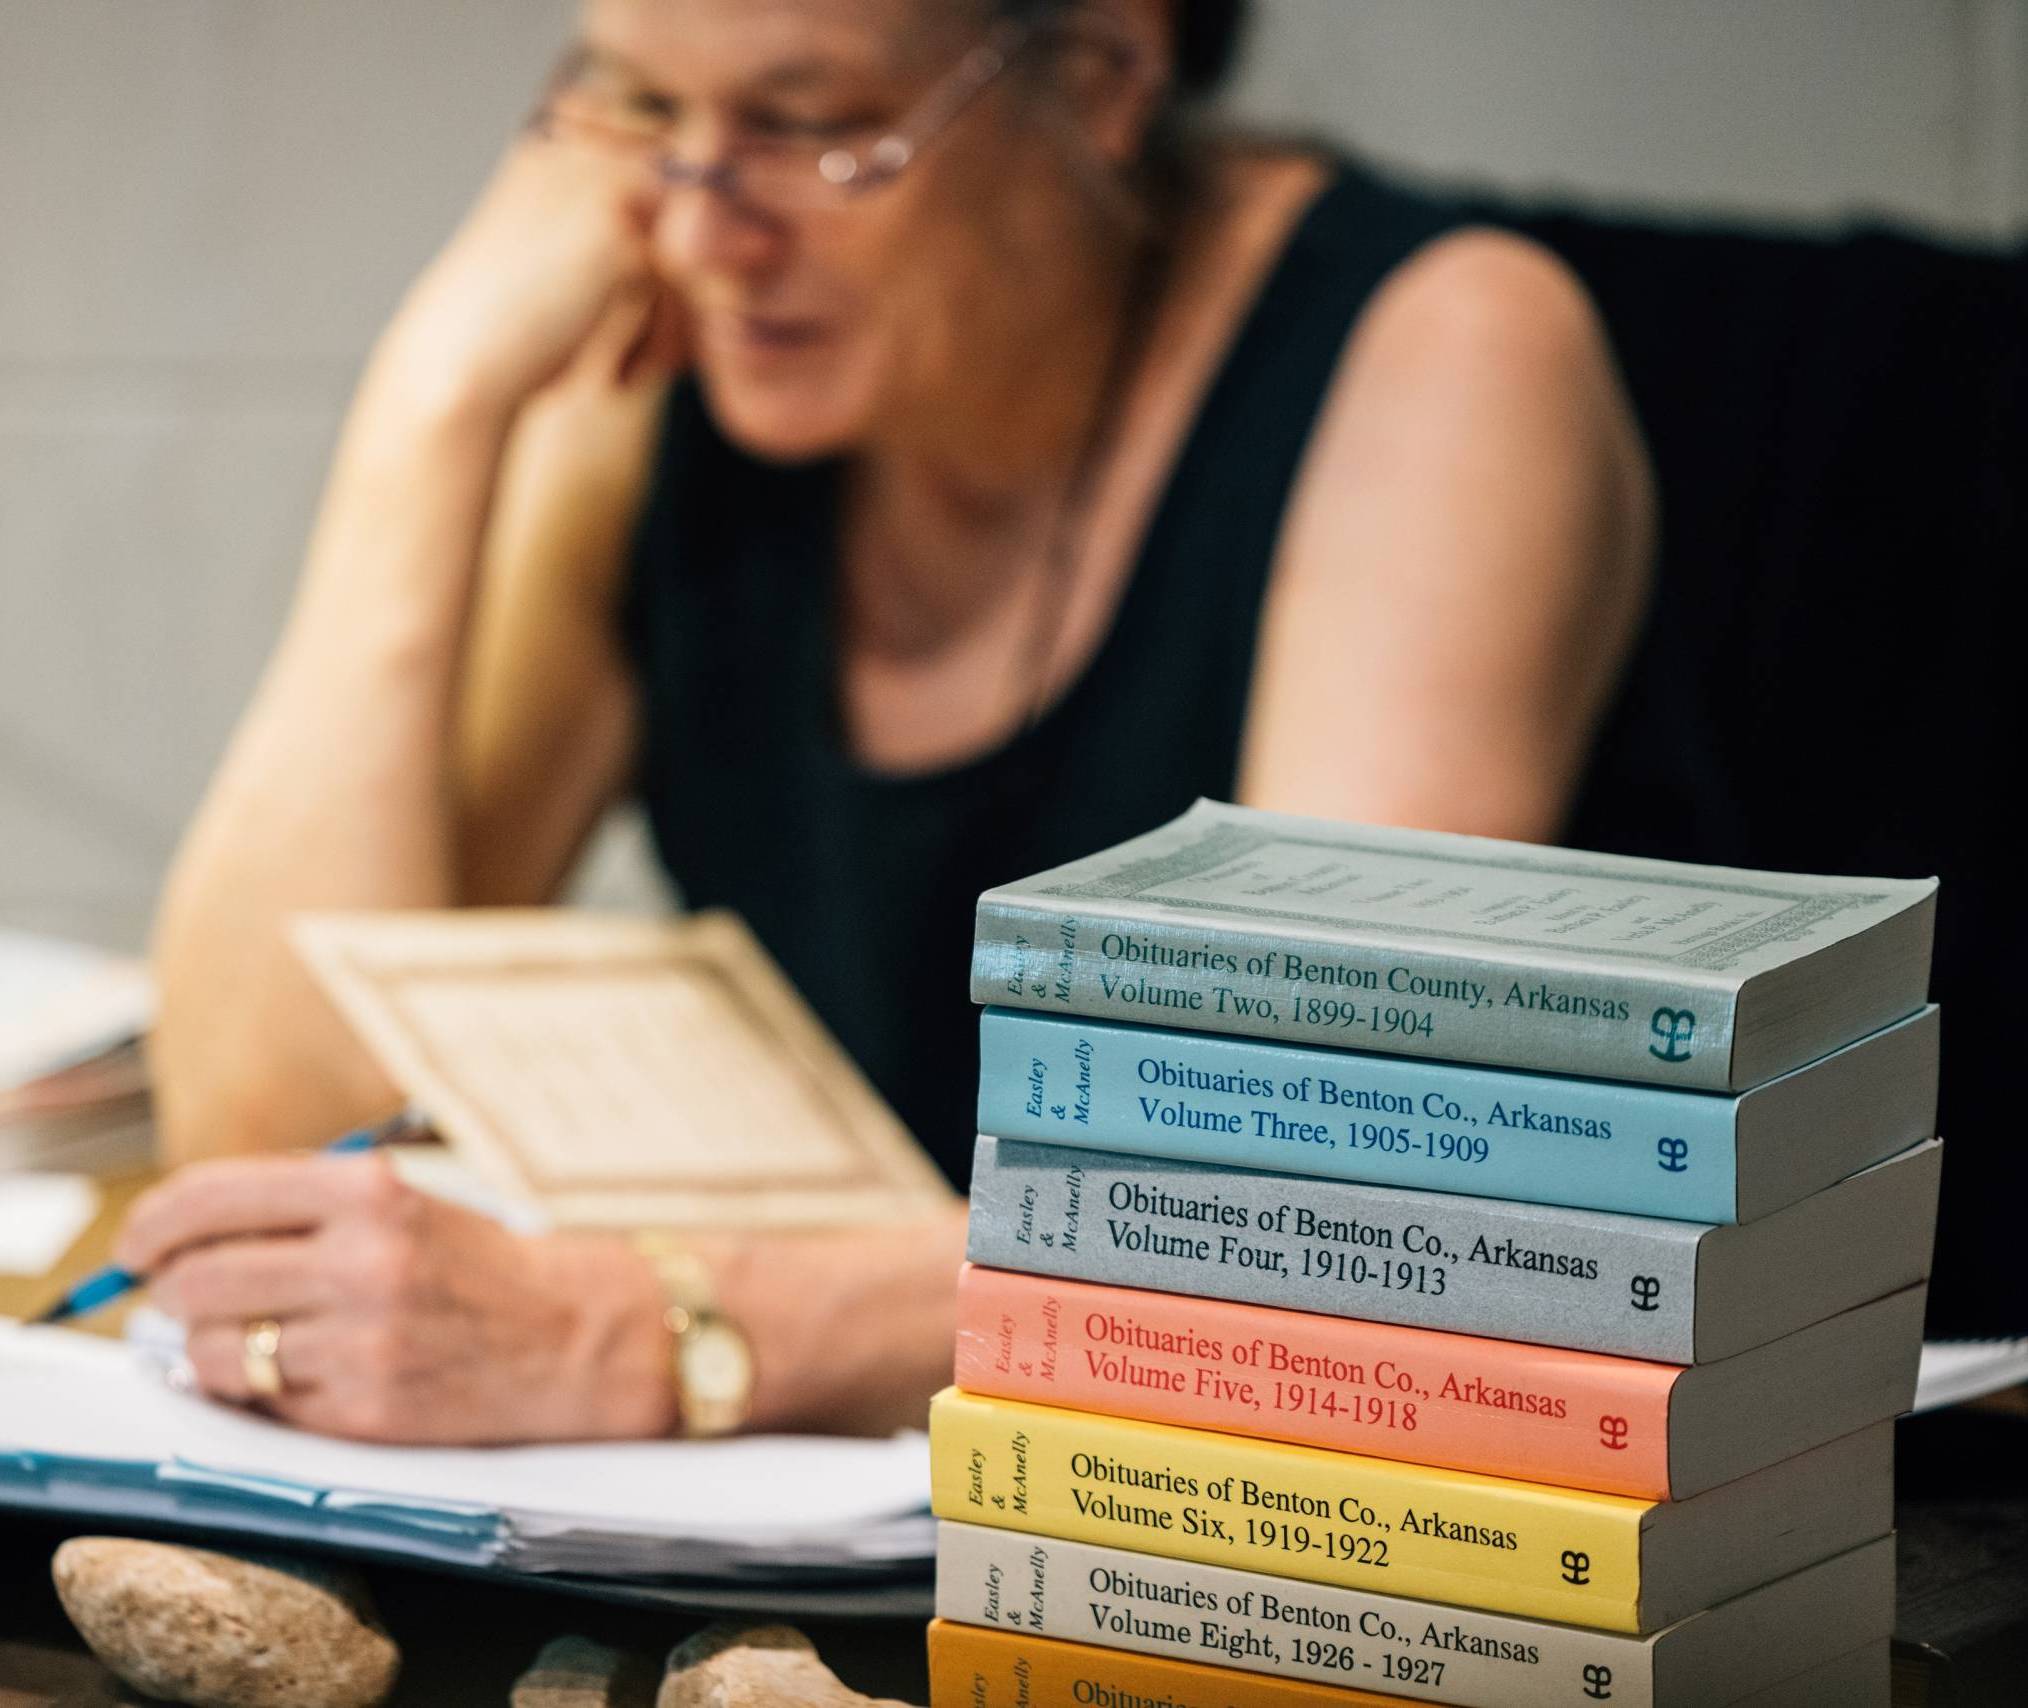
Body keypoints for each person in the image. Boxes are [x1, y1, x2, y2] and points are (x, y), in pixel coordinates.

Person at [119, 0, 1653, 1444]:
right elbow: (275, 1136)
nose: (706, 229)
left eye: (810, 124)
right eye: (644, 106)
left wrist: (638, 1331)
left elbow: (1306, 1195)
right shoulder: (686, 353)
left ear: (1105, 77)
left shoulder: (1443, 351)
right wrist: (431, 407)